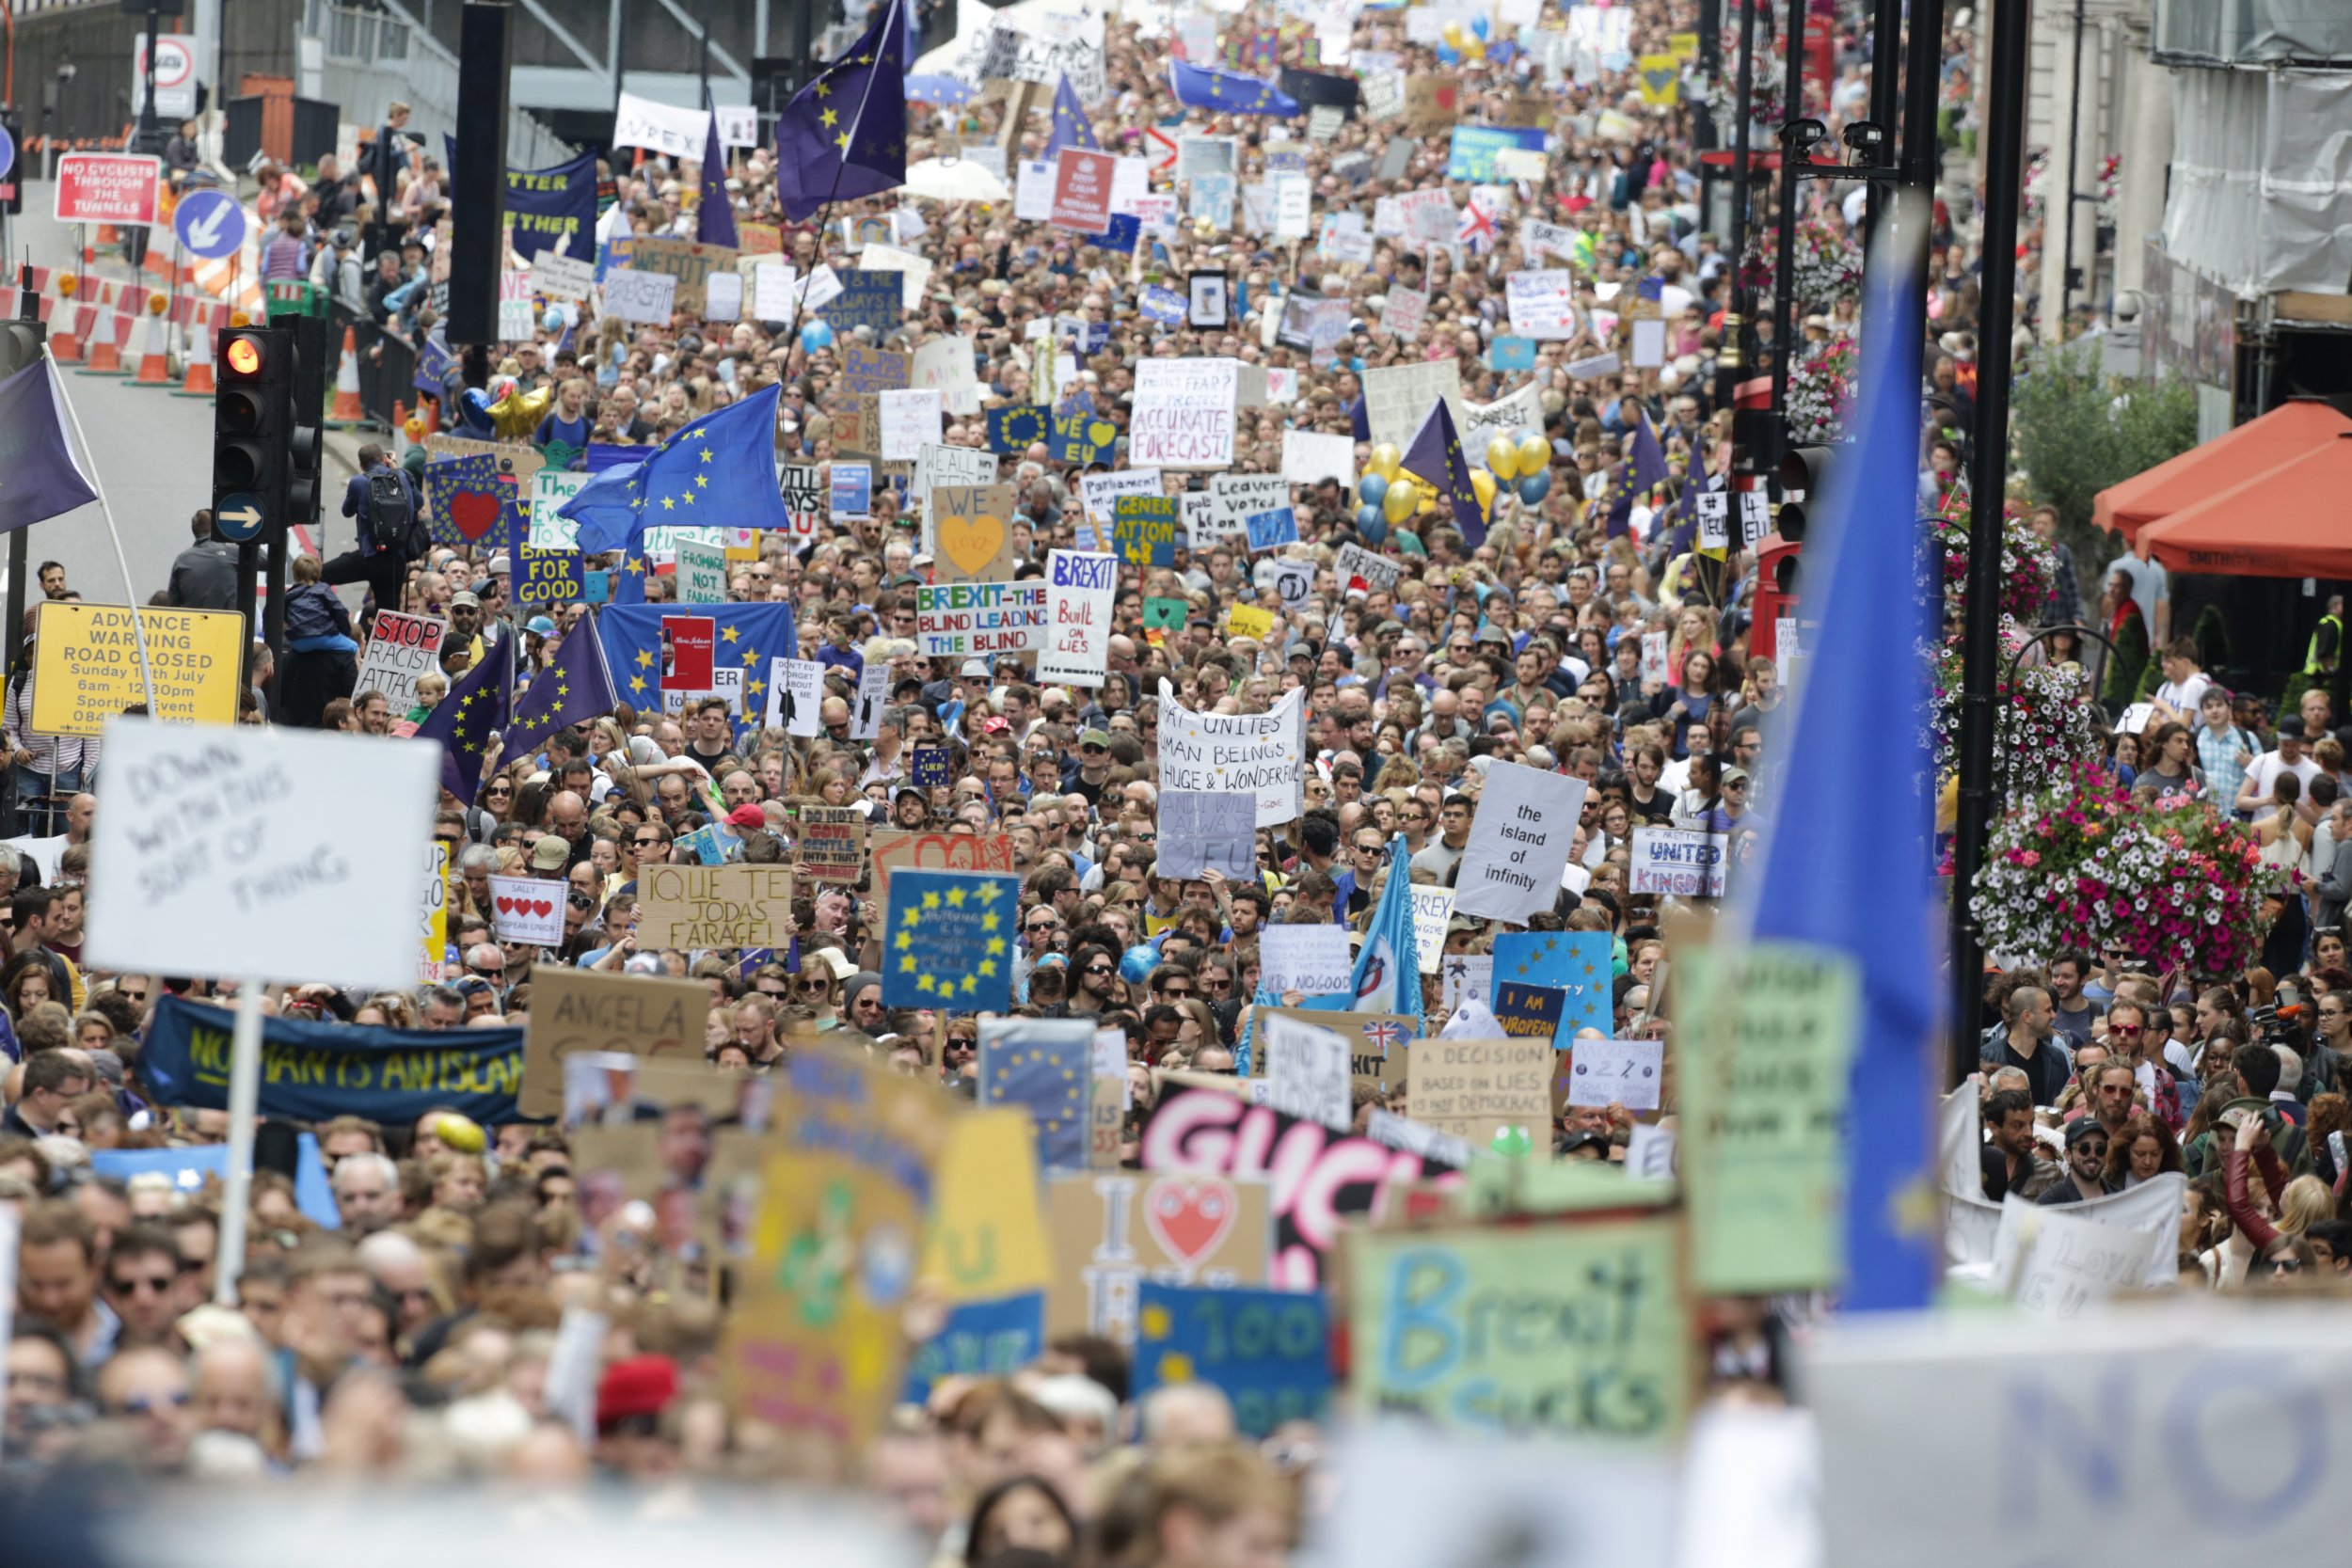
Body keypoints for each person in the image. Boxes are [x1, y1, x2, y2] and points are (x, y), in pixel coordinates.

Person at [326, 443, 421, 630]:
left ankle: (338, 624)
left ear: (361, 465)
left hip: (369, 556)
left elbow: (347, 511)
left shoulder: (359, 482)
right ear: (384, 459)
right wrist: (395, 468)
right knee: (389, 618)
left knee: (318, 576)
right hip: (396, 560)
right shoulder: (403, 476)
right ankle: (385, 656)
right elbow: (419, 502)